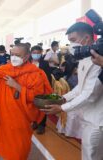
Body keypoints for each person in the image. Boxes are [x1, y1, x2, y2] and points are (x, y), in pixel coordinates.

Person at [0, 43, 52, 159]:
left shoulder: (35, 74)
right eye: (12, 54)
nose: (14, 57)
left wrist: (17, 86)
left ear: (26, 57)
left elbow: (37, 98)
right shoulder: (5, 69)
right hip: (4, 118)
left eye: (17, 55)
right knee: (6, 149)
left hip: (21, 121)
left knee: (20, 150)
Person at [42, 22, 103, 160]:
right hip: (87, 116)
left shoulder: (98, 61)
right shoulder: (84, 59)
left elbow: (90, 94)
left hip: (97, 121)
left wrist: (62, 107)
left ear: (87, 38)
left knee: (91, 156)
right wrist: (64, 98)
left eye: (73, 41)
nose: (71, 45)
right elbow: (80, 88)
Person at [30, 45, 48, 134]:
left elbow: (47, 77)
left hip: (42, 89)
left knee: (42, 106)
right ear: (31, 53)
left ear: (41, 54)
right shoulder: (28, 63)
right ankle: (34, 122)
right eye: (34, 53)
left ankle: (42, 125)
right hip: (30, 88)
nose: (36, 55)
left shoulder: (45, 63)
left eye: (38, 53)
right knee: (32, 106)